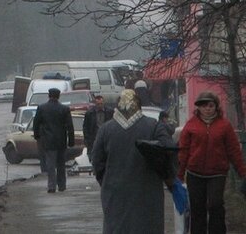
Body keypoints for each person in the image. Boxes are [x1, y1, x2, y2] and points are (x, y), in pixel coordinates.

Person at [91, 89, 172, 234]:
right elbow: (168, 152)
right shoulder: (153, 126)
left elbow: (97, 162)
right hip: (148, 192)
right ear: (139, 106)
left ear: (117, 107)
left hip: (115, 193)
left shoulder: (105, 130)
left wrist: (107, 182)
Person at [178, 91, 246, 234]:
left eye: (210, 105)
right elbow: (183, 150)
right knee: (197, 207)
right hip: (194, 173)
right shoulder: (191, 125)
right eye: (203, 106)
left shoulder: (225, 126)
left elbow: (233, 150)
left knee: (215, 205)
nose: (207, 109)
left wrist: (242, 171)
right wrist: (179, 174)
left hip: (217, 173)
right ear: (198, 108)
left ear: (216, 107)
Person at [32, 88, 75, 193]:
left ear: (49, 95)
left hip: (48, 140)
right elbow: (70, 126)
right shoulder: (64, 109)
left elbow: (36, 123)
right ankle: (61, 185)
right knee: (61, 164)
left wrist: (37, 136)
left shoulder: (42, 108)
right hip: (61, 140)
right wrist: (71, 141)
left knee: (50, 164)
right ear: (59, 96)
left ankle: (51, 186)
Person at [83, 95, 114, 161]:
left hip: (106, 138)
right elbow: (85, 127)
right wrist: (87, 140)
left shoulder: (110, 111)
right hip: (93, 138)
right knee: (93, 158)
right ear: (95, 104)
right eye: (98, 104)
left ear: (104, 103)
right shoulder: (89, 113)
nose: (100, 105)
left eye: (101, 104)